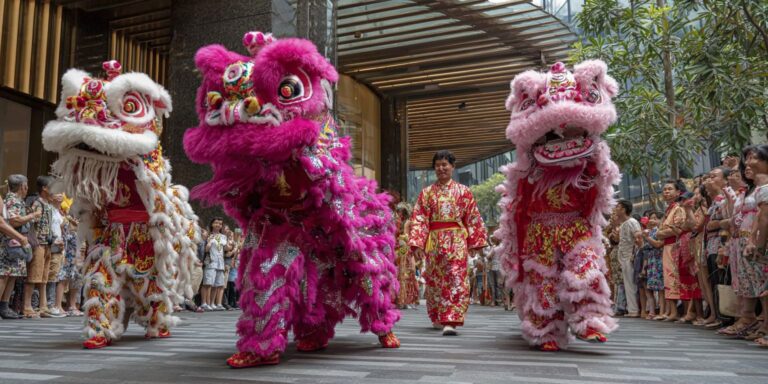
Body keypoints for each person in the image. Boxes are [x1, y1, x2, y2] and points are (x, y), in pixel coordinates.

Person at [41, 60, 201, 349]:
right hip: (112, 232)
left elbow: (158, 192)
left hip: (145, 233)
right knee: (98, 280)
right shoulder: (95, 163)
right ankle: (99, 328)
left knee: (148, 283)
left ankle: (157, 320)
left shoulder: (146, 160)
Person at [410, 150, 487, 336]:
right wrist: (418, 244)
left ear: (453, 166)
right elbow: (419, 219)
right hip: (434, 242)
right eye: (437, 165)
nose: (441, 168)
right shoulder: (426, 193)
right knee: (435, 279)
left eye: (445, 164)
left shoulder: (464, 192)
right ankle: (438, 314)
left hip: (456, 240)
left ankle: (451, 320)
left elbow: (473, 217)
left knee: (456, 277)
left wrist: (475, 243)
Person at [0, 175, 37, 320]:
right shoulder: (12, 200)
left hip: (16, 243)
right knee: (4, 274)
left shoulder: (16, 200)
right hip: (9, 243)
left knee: (12, 274)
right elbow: (13, 221)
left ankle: (4, 306)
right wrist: (32, 215)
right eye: (26, 185)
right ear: (23, 186)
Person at [656, 179, 688, 321]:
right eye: (664, 190)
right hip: (667, 247)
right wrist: (661, 233)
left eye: (670, 189)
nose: (666, 192)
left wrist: (660, 233)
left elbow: (678, 229)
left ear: (678, 192)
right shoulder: (669, 209)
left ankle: (678, 312)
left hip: (675, 246)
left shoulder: (679, 208)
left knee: (675, 277)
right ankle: (672, 311)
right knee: (669, 278)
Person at [615, 200, 641, 317]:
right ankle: (631, 309)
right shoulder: (623, 224)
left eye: (618, 207)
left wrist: (635, 254)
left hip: (630, 257)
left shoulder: (632, 222)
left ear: (624, 209)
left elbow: (638, 238)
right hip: (624, 258)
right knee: (628, 284)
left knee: (631, 284)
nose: (616, 209)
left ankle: (634, 310)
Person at [639, 211, 665, 320]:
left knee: (661, 288)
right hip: (651, 261)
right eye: (651, 218)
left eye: (655, 218)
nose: (653, 220)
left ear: (661, 219)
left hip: (659, 260)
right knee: (652, 287)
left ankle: (662, 311)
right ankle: (653, 311)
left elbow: (658, 244)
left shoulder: (661, 230)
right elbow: (644, 247)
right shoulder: (650, 231)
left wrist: (647, 238)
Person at [394, 203, 418, 309]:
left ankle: (405, 299)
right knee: (401, 274)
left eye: (402, 211)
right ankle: (400, 300)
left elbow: (411, 236)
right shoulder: (398, 221)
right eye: (399, 211)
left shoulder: (409, 222)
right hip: (401, 249)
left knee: (407, 273)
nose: (400, 213)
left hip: (405, 249)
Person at [201, 218, 228, 311]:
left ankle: (212, 303)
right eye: (216, 223)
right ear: (212, 224)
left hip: (220, 262)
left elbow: (226, 249)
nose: (218, 225)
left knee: (217, 284)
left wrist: (231, 244)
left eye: (220, 223)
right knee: (208, 283)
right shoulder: (208, 235)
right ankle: (205, 303)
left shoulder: (223, 237)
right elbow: (205, 250)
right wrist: (209, 242)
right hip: (211, 262)